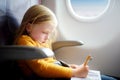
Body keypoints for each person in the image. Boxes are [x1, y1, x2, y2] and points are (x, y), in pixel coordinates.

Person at [14, 4, 117, 80]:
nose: (48, 37)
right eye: (45, 32)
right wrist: (74, 72)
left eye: (50, 33)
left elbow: (50, 63)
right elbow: (42, 68)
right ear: (29, 27)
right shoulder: (25, 42)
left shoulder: (39, 40)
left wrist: (69, 66)